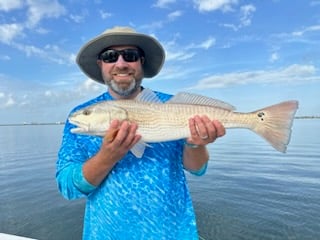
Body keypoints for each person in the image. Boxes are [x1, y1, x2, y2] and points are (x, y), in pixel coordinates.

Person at [56, 26, 225, 240]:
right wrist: (107, 157)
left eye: (130, 55)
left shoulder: (172, 105)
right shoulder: (79, 118)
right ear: (100, 64)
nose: (121, 63)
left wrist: (196, 144)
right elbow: (68, 187)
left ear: (141, 62)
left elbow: (198, 169)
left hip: (174, 233)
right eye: (110, 57)